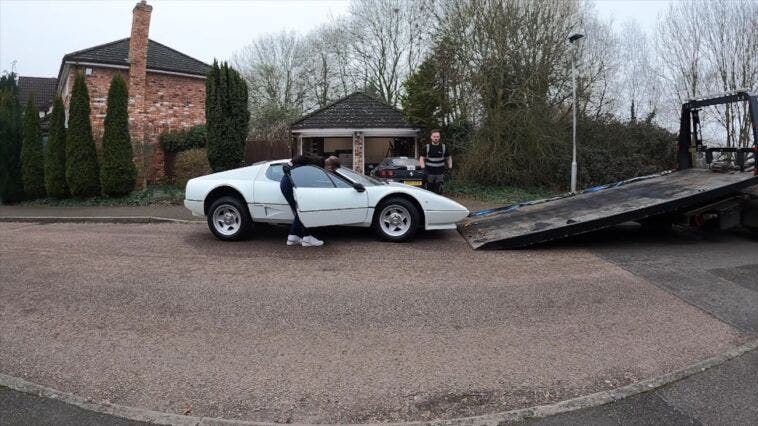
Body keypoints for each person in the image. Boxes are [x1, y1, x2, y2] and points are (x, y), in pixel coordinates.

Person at [280, 155, 324, 247]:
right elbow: (296, 158)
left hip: (287, 182)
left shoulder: (306, 166)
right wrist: (288, 165)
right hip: (291, 183)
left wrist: (288, 166)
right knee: (302, 210)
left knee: (298, 211)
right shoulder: (309, 162)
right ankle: (306, 238)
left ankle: (293, 237)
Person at [419, 129, 452, 194]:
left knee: (439, 191)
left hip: (440, 174)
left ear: (439, 137)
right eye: (434, 136)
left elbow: (449, 158)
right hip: (429, 174)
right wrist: (423, 168)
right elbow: (421, 158)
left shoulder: (443, 147)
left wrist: (450, 166)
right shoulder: (427, 147)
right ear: (431, 137)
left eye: (437, 136)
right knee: (429, 191)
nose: (436, 138)